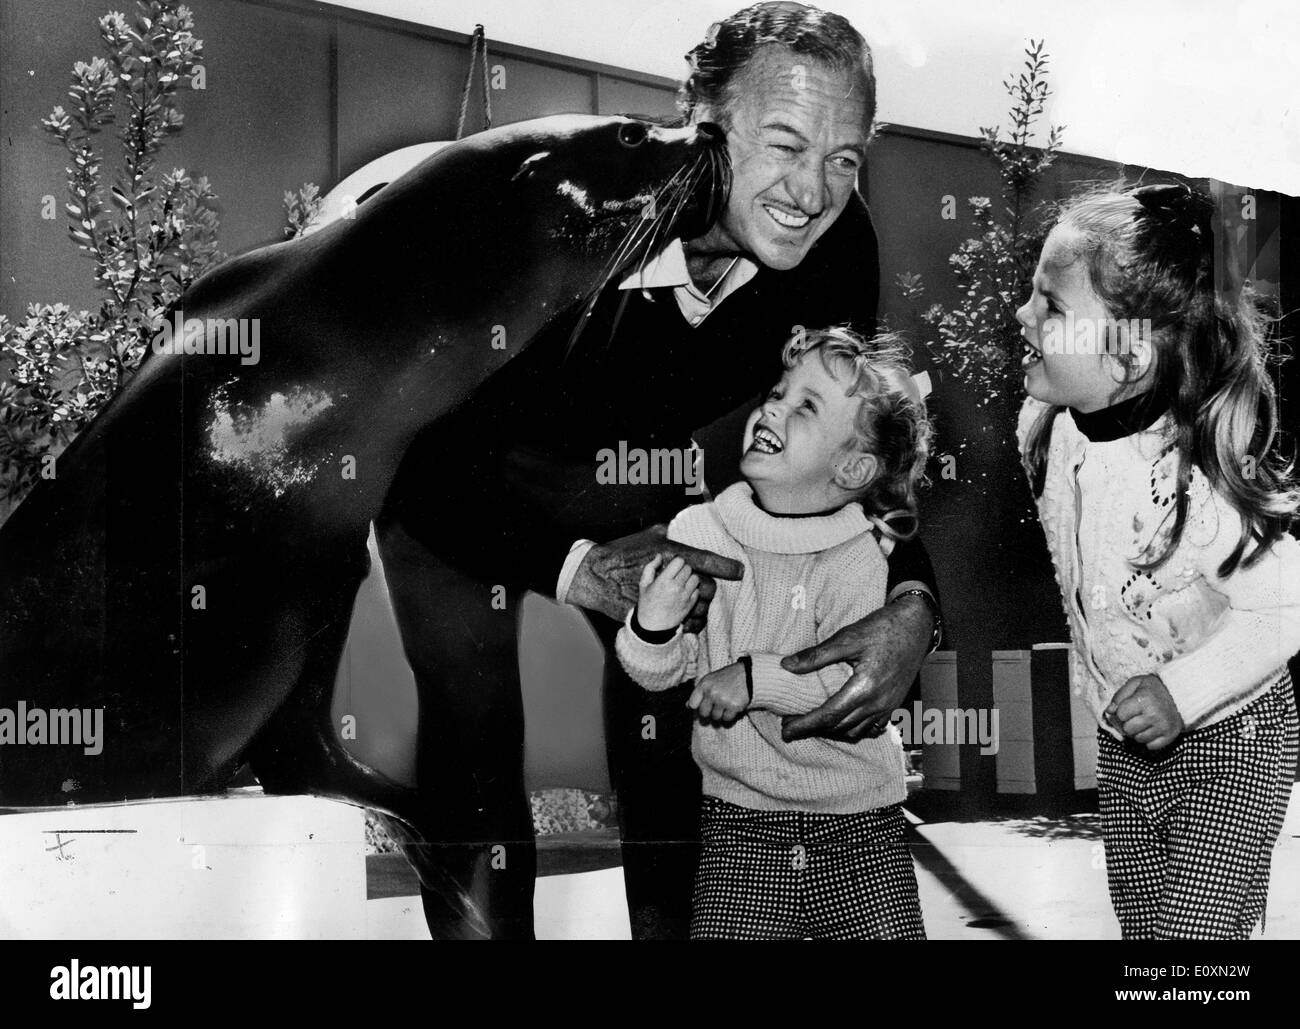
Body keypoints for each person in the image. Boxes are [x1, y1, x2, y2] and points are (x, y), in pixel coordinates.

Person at [375, 2, 942, 940]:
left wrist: (913, 606)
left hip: (643, 479)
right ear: (700, 121)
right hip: (457, 480)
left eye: (844, 157)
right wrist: (577, 565)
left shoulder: (840, 245)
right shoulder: (550, 215)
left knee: (677, 722)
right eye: (785, 143)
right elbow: (413, 463)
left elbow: (856, 450)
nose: (814, 189)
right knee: (472, 725)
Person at [1016, 181, 1300, 939]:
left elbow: (1289, 603)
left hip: (1230, 741)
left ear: (1131, 356)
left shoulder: (1196, 480)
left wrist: (1185, 689)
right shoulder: (1049, 429)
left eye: (1051, 306)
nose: (1022, 315)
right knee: (1149, 940)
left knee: (1195, 946)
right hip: (1125, 745)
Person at [616, 327, 930, 939]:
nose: (772, 408)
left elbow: (849, 686)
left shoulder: (859, 557)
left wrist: (755, 678)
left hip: (858, 824)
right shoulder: (699, 531)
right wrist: (652, 627)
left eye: (804, 407)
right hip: (739, 823)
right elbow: (664, 672)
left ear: (852, 467)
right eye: (780, 391)